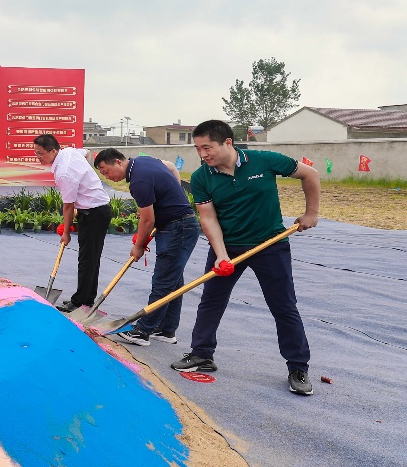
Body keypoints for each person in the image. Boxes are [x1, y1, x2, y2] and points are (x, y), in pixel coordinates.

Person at [171, 120, 321, 396]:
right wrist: (221, 255)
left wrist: (311, 213)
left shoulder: (265, 160)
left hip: (270, 245)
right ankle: (202, 353)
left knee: (283, 306)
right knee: (211, 301)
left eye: (207, 147)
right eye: (198, 149)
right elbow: (208, 218)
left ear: (228, 142)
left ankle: (298, 367)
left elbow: (309, 174)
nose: (202, 154)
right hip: (228, 247)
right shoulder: (202, 177)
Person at [93, 148, 199, 345]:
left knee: (163, 281)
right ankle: (166, 330)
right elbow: (170, 167)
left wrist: (139, 245)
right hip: (180, 224)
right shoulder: (144, 162)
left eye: (106, 171)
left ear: (118, 162)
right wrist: (174, 195)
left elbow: (147, 220)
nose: (107, 177)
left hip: (177, 227)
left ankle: (143, 331)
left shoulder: (138, 181)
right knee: (173, 281)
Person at [33, 134, 112, 313]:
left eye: (41, 154)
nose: (38, 157)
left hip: (95, 212)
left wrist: (66, 232)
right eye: (36, 153)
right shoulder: (69, 152)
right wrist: (86, 182)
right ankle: (87, 300)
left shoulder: (64, 173)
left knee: (87, 260)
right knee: (91, 259)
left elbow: (68, 206)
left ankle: (80, 302)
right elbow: (87, 153)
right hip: (93, 209)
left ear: (53, 151)